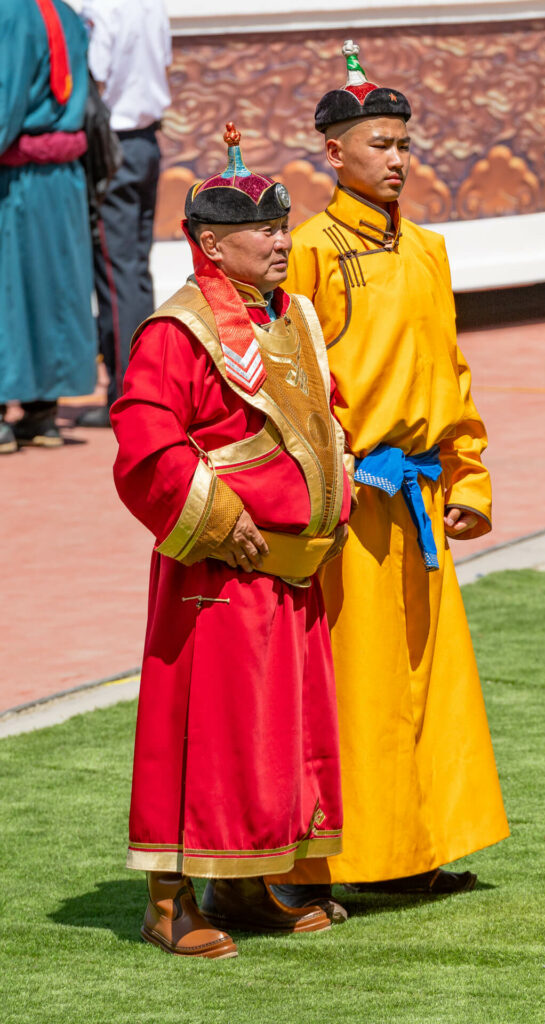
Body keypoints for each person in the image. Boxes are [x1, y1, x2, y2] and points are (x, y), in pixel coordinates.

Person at [270, 42, 509, 912]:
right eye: (380, 145)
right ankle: (343, 861)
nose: (397, 160)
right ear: (333, 154)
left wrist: (468, 476)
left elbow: (449, 371)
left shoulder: (429, 250)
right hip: (351, 501)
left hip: (420, 496)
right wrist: (323, 481)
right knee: (357, 687)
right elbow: (290, 383)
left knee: (428, 683)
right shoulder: (308, 253)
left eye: (404, 144)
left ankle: (422, 847)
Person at [111, 123, 353, 958]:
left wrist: (338, 484)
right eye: (263, 230)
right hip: (221, 574)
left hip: (291, 575)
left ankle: (246, 885)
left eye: (284, 225)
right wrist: (218, 519)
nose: (282, 241)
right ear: (211, 243)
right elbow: (145, 438)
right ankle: (169, 904)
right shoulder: (178, 332)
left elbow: (326, 416)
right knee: (203, 737)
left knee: (271, 737)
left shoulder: (293, 319)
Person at [0, 0, 97, 452]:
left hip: (18, 175)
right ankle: (42, 415)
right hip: (62, 177)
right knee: (52, 286)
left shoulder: (11, 12)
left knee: (12, 290)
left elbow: (6, 96)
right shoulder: (65, 12)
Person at [77, 0, 171, 427]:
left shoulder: (104, 7)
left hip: (114, 142)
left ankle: (123, 395)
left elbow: (94, 76)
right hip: (145, 141)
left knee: (116, 273)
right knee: (135, 268)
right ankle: (148, 386)